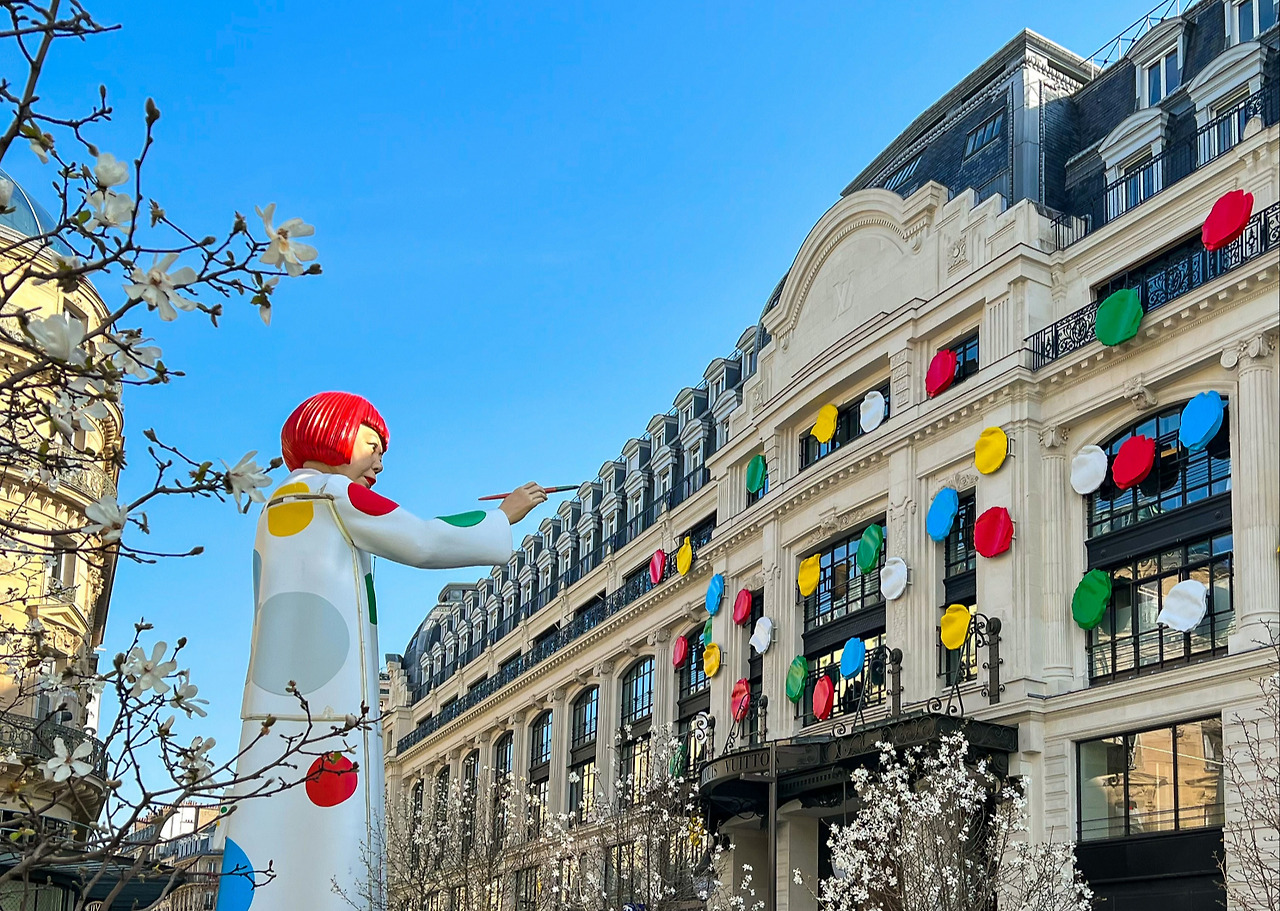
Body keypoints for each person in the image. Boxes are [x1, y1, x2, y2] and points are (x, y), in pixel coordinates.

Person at [215, 391, 544, 911]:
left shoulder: (279, 504)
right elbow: (421, 539)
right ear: (333, 434)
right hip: (333, 700)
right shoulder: (331, 495)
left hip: (277, 700)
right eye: (372, 444)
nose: (379, 463)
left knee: (273, 818)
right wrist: (504, 517)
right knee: (338, 838)